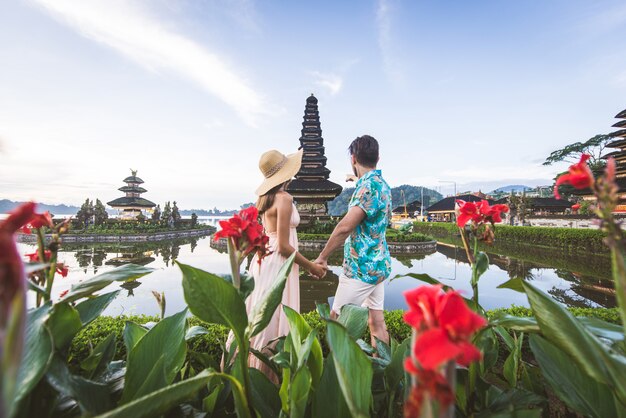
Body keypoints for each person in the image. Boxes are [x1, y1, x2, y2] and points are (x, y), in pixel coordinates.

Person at [236, 149, 326, 381]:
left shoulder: (265, 200)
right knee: (274, 318)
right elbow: (285, 246)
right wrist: (311, 267)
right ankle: (270, 379)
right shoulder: (284, 199)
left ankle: (250, 377)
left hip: (264, 261)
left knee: (259, 316)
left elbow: (272, 237)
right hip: (279, 262)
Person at [315, 135, 392, 348]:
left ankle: (333, 372)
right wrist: (356, 179)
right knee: (376, 322)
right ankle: (384, 371)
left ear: (353, 158)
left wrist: (322, 257)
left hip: (360, 269)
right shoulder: (382, 185)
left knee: (335, 320)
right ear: (378, 158)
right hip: (378, 265)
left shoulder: (367, 187)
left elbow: (345, 227)